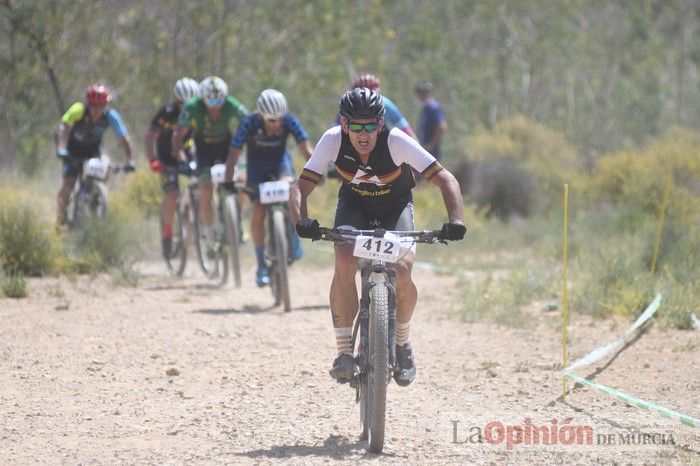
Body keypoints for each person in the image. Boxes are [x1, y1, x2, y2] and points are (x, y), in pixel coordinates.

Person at [289, 88, 465, 386]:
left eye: (370, 125)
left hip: (395, 207)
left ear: (381, 124)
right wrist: (301, 221)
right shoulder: (333, 139)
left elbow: (445, 179)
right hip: (354, 205)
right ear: (344, 125)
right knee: (344, 260)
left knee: (403, 269)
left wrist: (456, 220)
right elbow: (300, 188)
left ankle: (403, 343)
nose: (363, 133)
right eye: (355, 126)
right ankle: (344, 352)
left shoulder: (396, 141)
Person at [225, 89, 313, 287]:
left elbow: (306, 148)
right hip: (256, 167)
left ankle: (294, 235)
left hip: (281, 163)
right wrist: (228, 179)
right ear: (261, 115)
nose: (277, 124)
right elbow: (233, 153)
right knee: (258, 212)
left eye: (280, 119)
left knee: (292, 194)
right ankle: (260, 265)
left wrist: (318, 170)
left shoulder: (289, 120)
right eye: (271, 120)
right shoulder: (249, 123)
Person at [171, 76, 249, 253]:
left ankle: (239, 217)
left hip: (227, 146)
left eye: (219, 102)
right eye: (210, 103)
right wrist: (182, 159)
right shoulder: (192, 106)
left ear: (225, 98)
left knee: (242, 180)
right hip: (204, 149)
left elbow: (251, 122)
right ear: (202, 99)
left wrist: (246, 141)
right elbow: (177, 137)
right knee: (205, 186)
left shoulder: (232, 104)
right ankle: (209, 235)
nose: (215, 107)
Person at [55, 83, 135, 227]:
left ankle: (97, 197)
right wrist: (61, 147)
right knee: (69, 185)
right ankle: (61, 219)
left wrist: (130, 160)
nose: (96, 110)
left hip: (94, 150)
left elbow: (124, 138)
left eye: (101, 106)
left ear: (105, 105)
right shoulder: (78, 109)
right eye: (93, 106)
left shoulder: (111, 116)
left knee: (106, 164)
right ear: (88, 103)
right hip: (73, 151)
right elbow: (63, 126)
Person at [145, 77, 200, 257]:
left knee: (200, 186)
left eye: (190, 102)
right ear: (176, 100)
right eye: (182, 103)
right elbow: (150, 137)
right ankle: (167, 234)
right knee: (172, 194)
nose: (186, 106)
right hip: (166, 157)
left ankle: (193, 215)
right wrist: (153, 160)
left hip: (187, 151)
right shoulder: (166, 112)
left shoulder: (198, 112)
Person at [415, 81, 447, 161]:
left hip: (431, 153)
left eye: (424, 92)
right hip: (425, 151)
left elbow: (441, 126)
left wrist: (431, 145)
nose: (422, 95)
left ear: (429, 93)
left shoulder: (433, 107)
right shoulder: (426, 108)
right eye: (420, 92)